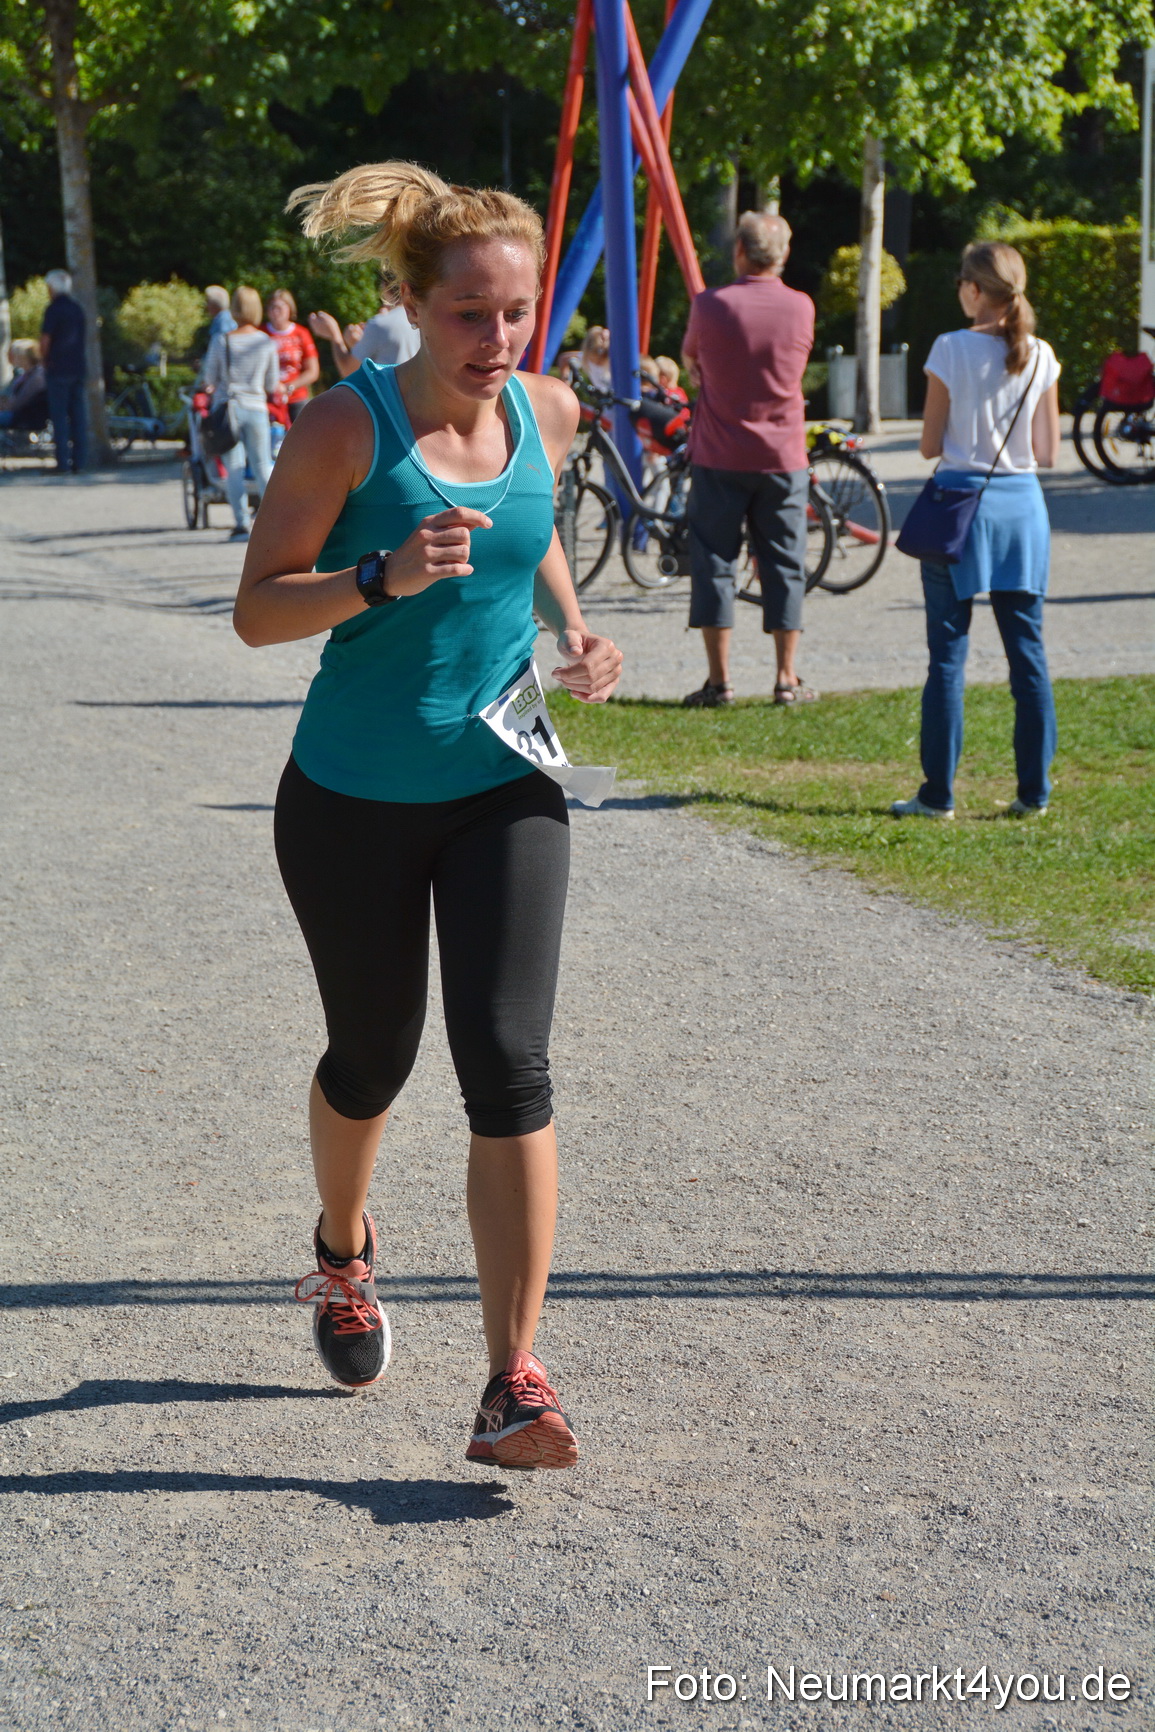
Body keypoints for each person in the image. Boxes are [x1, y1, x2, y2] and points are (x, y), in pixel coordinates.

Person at [233, 161, 622, 1470]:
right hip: (349, 797)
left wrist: (571, 627)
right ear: (408, 304)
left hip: (505, 784)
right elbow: (256, 608)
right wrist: (376, 576)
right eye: (467, 313)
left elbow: (528, 524)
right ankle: (342, 1252)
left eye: (514, 313)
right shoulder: (344, 429)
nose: (495, 340)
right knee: (371, 1058)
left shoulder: (547, 411)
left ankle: (512, 1377)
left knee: (508, 1064)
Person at [891, 242, 1061, 820]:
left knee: (947, 657)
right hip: (1023, 511)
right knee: (1028, 656)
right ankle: (1033, 793)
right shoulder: (1040, 354)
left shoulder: (949, 348)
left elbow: (930, 445)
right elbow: (1047, 451)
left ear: (973, 290)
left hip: (961, 509)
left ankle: (937, 795)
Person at [680, 211, 816, 707]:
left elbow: (691, 362)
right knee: (785, 563)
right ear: (782, 255)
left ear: (739, 251)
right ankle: (786, 679)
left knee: (714, 561)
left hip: (719, 454)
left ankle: (719, 682)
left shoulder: (710, 305)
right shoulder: (802, 307)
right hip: (782, 456)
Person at [203, 285, 280, 542]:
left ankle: (240, 524)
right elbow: (271, 384)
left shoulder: (222, 340)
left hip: (229, 409)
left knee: (233, 467)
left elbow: (209, 378)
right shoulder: (266, 342)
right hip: (257, 408)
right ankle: (273, 522)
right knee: (262, 465)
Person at [308, 275, 420, 378]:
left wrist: (334, 335)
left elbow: (348, 370)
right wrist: (357, 344)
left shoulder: (381, 324)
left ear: (385, 288)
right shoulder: (423, 317)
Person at [39, 268, 87, 474]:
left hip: (57, 368)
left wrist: (43, 359)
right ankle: (80, 463)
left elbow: (45, 339)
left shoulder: (53, 309)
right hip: (77, 367)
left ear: (52, 287)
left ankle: (62, 463)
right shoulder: (77, 308)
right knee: (78, 417)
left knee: (59, 417)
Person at [264, 287, 320, 421]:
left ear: (290, 308)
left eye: (280, 307)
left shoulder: (301, 334)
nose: (276, 312)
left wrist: (289, 387)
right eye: (272, 308)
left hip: (297, 398)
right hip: (267, 399)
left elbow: (313, 371)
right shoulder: (261, 333)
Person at [0, 340, 48, 430]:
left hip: (24, 416)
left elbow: (20, 401)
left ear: (25, 358)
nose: (15, 359)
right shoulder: (25, 375)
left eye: (17, 356)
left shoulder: (36, 377)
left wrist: (6, 405)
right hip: (17, 412)